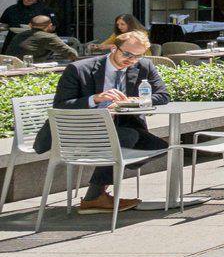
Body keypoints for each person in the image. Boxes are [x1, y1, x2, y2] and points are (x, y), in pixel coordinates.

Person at [35, 33, 169, 213]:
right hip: (79, 130)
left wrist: (131, 101)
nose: (131, 60)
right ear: (114, 48)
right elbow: (60, 106)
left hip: (120, 125)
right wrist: (95, 99)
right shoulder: (79, 69)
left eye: (138, 56)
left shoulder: (144, 66)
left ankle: (111, 174)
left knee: (158, 146)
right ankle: (94, 196)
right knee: (127, 137)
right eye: (127, 55)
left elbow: (162, 96)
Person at [14, 15, 80, 64]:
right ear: (50, 26)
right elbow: (72, 54)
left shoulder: (19, 35)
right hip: (32, 68)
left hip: (14, 66)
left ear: (30, 25)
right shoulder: (48, 37)